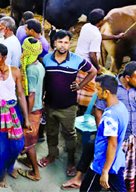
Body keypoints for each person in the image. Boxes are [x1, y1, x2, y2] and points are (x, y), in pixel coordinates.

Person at [63, 63, 136, 191]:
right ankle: (80, 177)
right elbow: (99, 111)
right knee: (100, 155)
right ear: (127, 78)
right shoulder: (113, 90)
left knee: (115, 174)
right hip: (119, 139)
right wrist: (103, 133)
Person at [38, 30, 97, 177]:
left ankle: (71, 161)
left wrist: (80, 85)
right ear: (54, 43)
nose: (62, 45)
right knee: (51, 133)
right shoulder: (46, 59)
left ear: (70, 43)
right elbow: (45, 80)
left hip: (68, 106)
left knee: (69, 135)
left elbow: (93, 71)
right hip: (50, 104)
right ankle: (52, 155)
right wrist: (42, 99)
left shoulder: (76, 60)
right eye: (59, 42)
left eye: (65, 42)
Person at [0, 43, 32, 188]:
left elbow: (21, 95)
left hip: (14, 111)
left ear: (5, 58)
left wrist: (26, 118)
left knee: (18, 145)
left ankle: (9, 166)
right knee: (1, 147)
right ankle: (0, 175)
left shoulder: (15, 72)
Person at [80, 76, 128, 192]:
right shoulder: (121, 107)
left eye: (97, 89)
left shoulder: (110, 117)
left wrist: (105, 171)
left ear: (106, 92)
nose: (95, 92)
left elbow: (112, 144)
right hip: (116, 160)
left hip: (102, 164)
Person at [75, 9, 125, 107]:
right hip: (87, 66)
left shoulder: (86, 26)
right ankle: (86, 109)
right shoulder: (96, 35)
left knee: (80, 87)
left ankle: (79, 104)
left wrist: (115, 37)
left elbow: (99, 35)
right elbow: (92, 55)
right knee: (89, 90)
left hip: (78, 62)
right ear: (100, 22)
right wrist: (97, 69)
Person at [17, 37, 45, 181]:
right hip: (38, 107)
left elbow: (31, 95)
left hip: (32, 110)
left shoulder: (31, 70)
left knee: (29, 142)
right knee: (30, 140)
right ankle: (28, 161)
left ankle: (35, 172)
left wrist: (26, 117)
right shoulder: (39, 65)